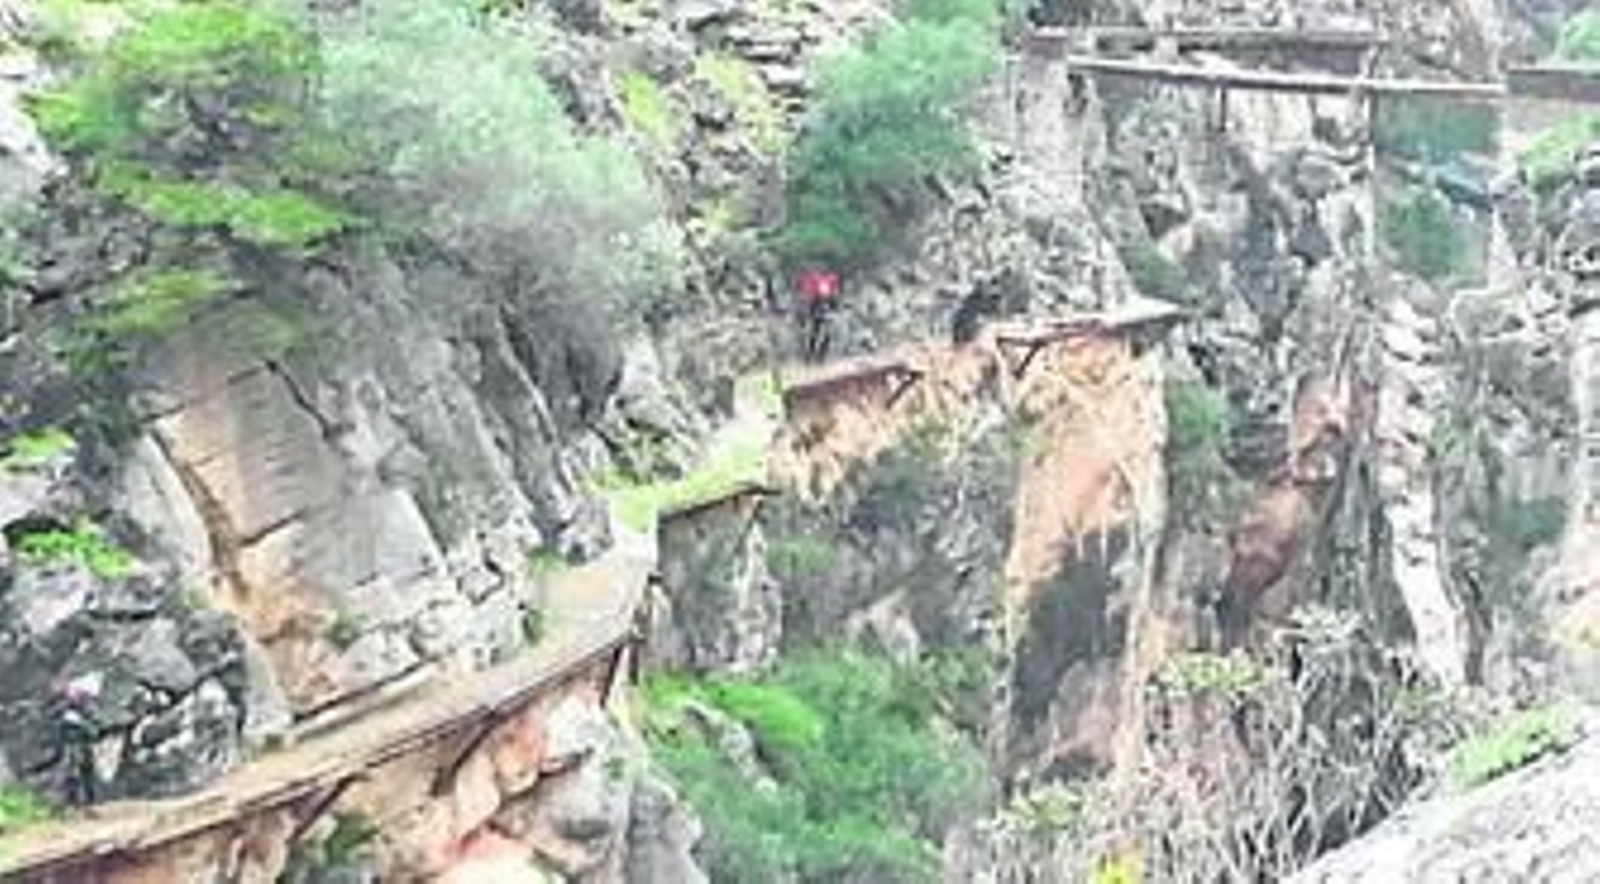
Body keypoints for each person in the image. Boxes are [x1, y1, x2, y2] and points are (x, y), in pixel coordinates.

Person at [796, 267, 840, 361]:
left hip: (823, 309)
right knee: (815, 333)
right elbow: (808, 298)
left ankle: (819, 355)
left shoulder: (829, 281)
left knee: (825, 333)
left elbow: (834, 297)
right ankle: (811, 355)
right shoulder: (815, 281)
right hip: (817, 309)